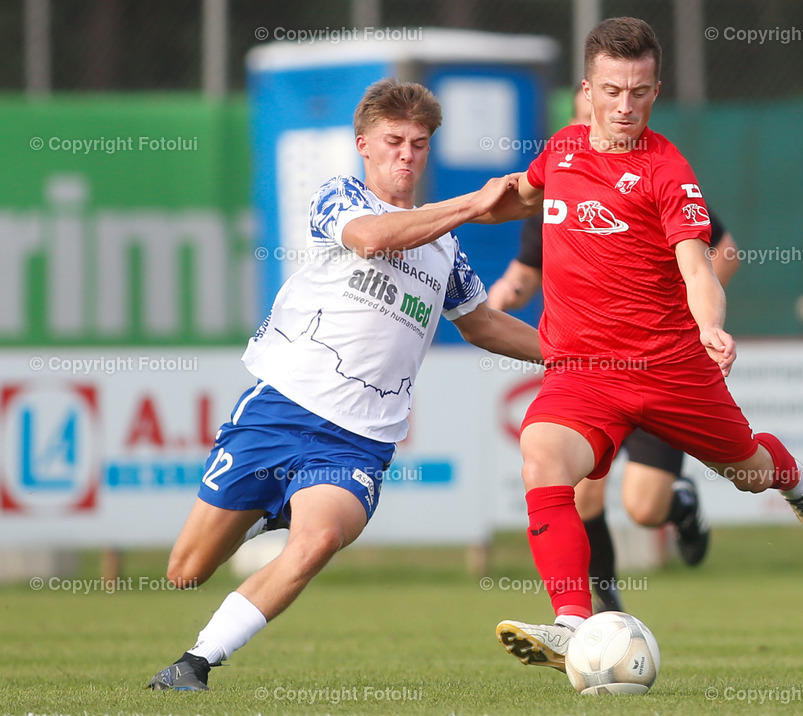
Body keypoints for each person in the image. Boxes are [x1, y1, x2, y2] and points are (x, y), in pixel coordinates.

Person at [146, 78, 539, 691]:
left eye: (419, 143)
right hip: (280, 409)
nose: (406, 155)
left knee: (319, 537)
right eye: (393, 141)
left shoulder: (447, 251)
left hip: (357, 442)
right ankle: (269, 511)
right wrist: (476, 202)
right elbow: (375, 238)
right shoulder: (341, 197)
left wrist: (579, 358)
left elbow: (483, 325)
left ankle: (194, 664)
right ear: (363, 144)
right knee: (185, 571)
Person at [488, 17, 803, 673]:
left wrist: (710, 324)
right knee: (541, 457)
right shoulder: (560, 150)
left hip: (671, 370)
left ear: (656, 88)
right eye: (613, 91)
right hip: (583, 373)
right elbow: (521, 196)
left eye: (640, 92)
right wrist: (447, 214)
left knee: (746, 472)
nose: (626, 107)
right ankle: (571, 623)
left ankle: (791, 477)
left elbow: (699, 266)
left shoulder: (668, 171)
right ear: (587, 88)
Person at [489, 89, 741, 613]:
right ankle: (600, 610)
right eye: (589, 116)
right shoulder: (559, 175)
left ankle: (681, 504)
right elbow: (525, 271)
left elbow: (718, 253)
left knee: (644, 508)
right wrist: (493, 302)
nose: (604, 124)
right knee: (578, 492)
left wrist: (701, 318)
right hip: (588, 371)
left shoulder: (661, 175)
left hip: (656, 363)